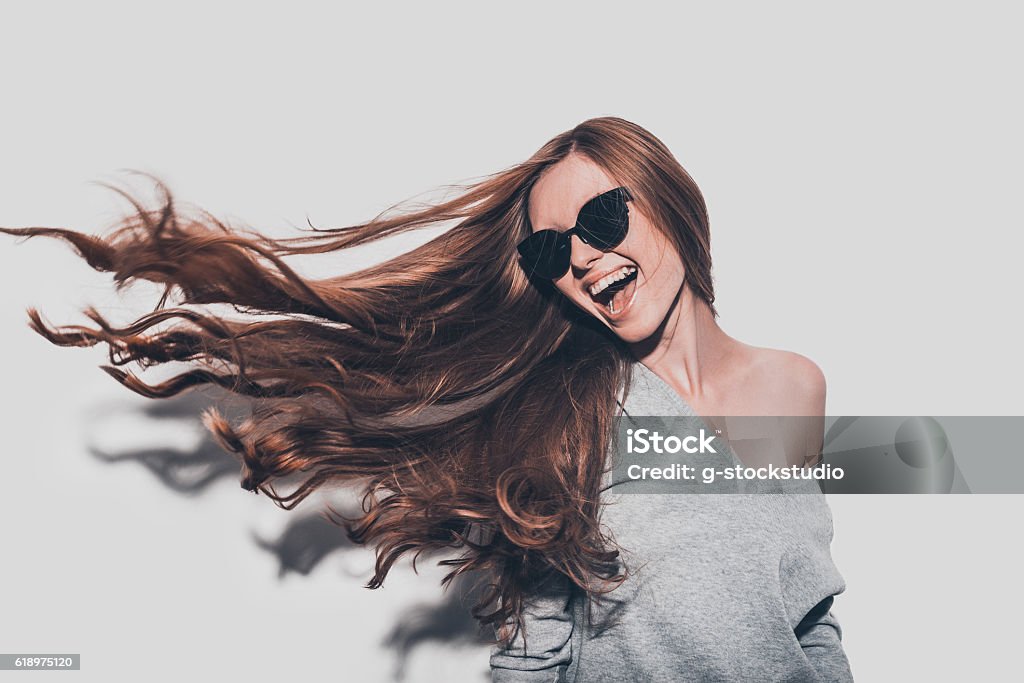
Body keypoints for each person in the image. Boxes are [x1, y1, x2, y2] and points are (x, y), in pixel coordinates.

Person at [1, 116, 853, 681]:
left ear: (665, 196)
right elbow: (542, 642)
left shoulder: (794, 384)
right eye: (555, 251)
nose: (586, 259)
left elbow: (806, 606)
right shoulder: (571, 413)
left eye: (602, 219)